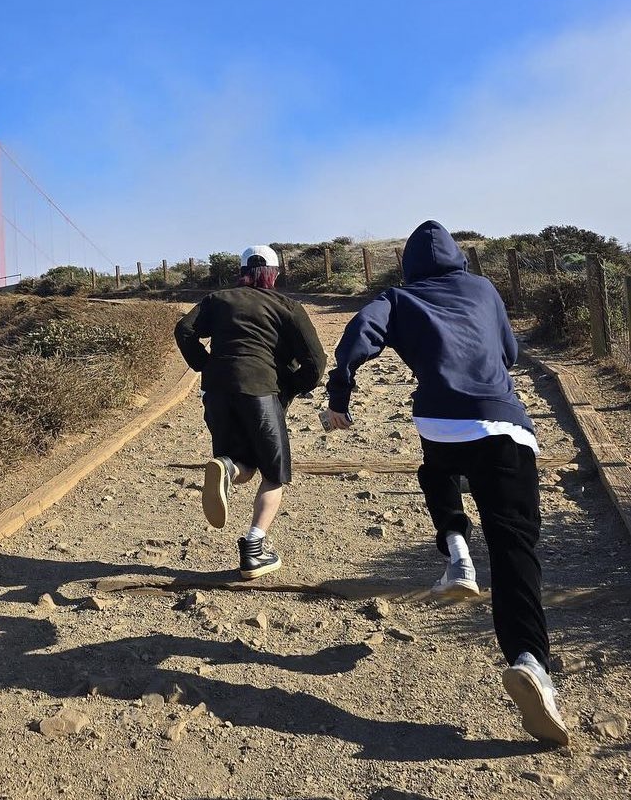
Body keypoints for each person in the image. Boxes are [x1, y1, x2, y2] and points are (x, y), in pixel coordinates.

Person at [320, 220, 568, 747]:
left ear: (409, 265)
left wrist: (339, 395)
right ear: (458, 257)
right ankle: (529, 660)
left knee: (436, 471)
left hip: (439, 422)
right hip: (503, 426)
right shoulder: (483, 289)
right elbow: (512, 354)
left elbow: (358, 334)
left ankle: (456, 549)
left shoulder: (398, 297)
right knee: (514, 545)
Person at [174, 245, 327, 578]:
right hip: (261, 393)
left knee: (243, 461)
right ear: (275, 272)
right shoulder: (287, 306)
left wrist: (204, 364)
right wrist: (290, 388)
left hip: (216, 393)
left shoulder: (217, 300)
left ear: (241, 270)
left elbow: (183, 330)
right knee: (274, 474)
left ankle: (226, 467)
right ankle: (255, 550)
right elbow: (316, 362)